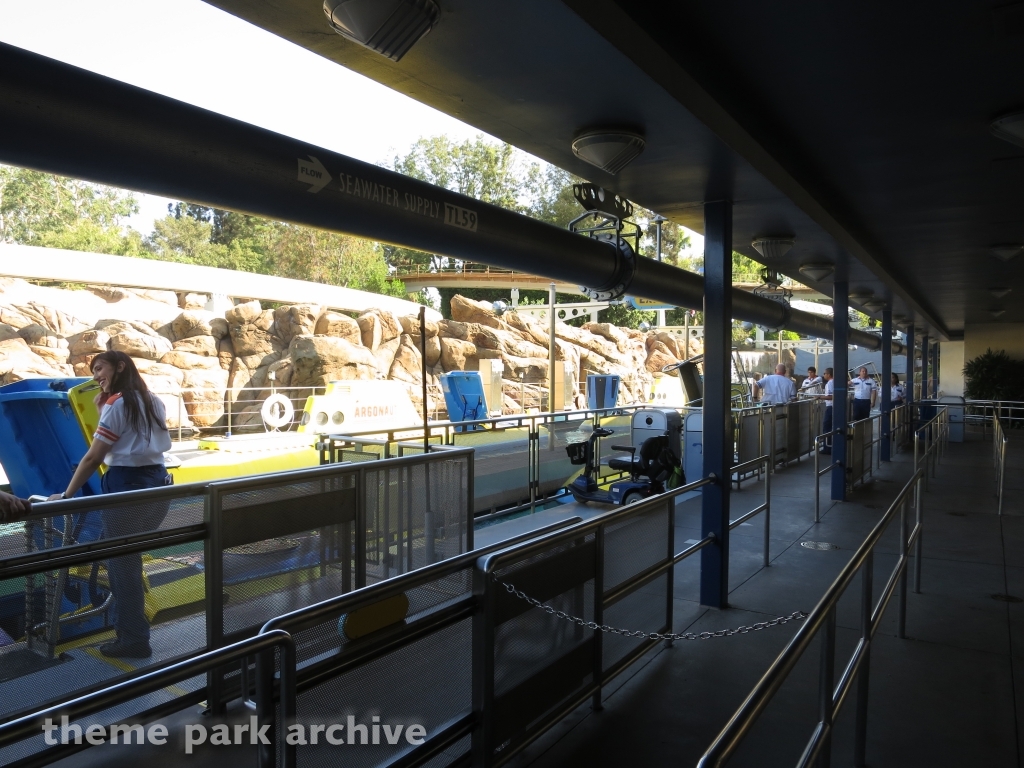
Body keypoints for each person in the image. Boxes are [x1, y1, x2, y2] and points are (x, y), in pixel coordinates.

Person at [48, 351, 172, 658]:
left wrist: (66, 495)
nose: (95, 376)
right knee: (122, 558)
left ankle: (133, 639)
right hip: (159, 485)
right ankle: (128, 625)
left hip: (127, 489)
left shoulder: (118, 405)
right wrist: (104, 402)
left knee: (123, 567)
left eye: (99, 368)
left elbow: (94, 457)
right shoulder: (152, 399)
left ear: (120, 366)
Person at [820, 368, 834, 453]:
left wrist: (819, 397)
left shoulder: (829, 383)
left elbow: (831, 396)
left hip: (831, 407)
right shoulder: (836, 382)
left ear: (829, 374)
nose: (824, 375)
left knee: (827, 427)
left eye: (824, 373)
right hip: (835, 407)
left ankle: (827, 448)